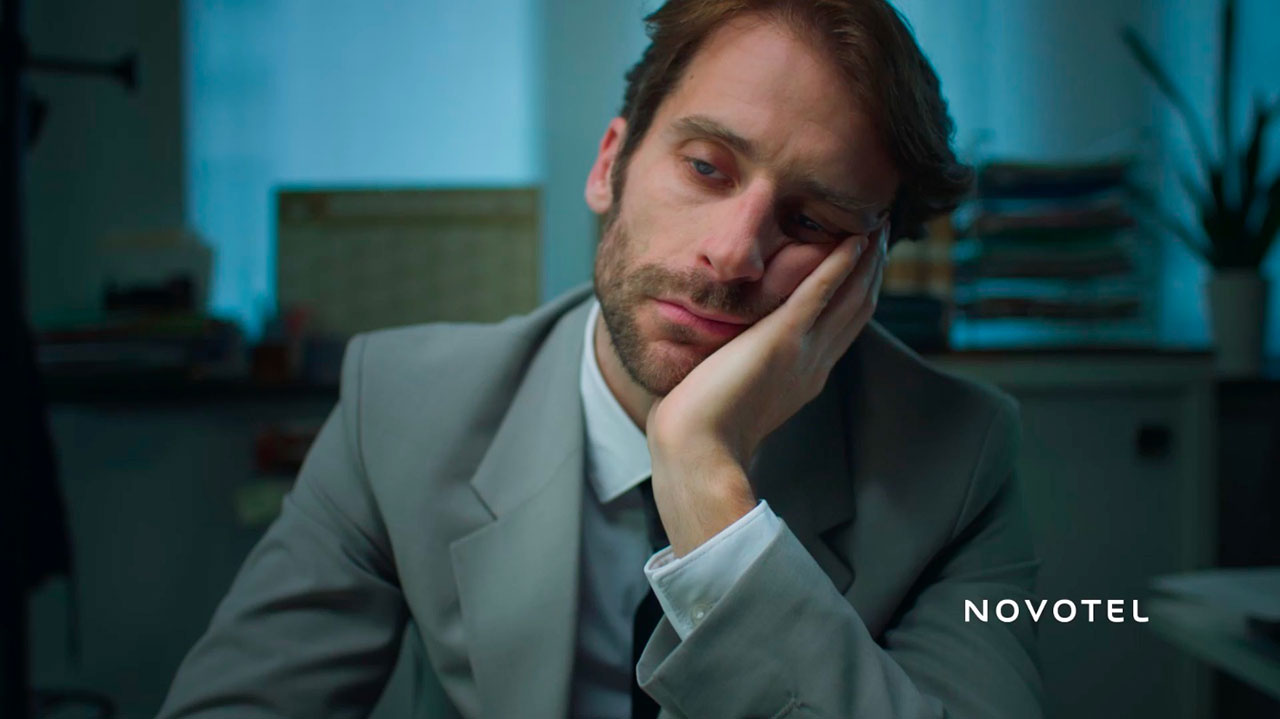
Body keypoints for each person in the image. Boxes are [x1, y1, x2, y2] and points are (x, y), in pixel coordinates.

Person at [159, 1, 1044, 717]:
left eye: (810, 221)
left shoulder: (955, 457)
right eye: (706, 167)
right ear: (609, 165)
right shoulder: (398, 408)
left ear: (864, 275)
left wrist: (709, 493)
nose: (733, 254)